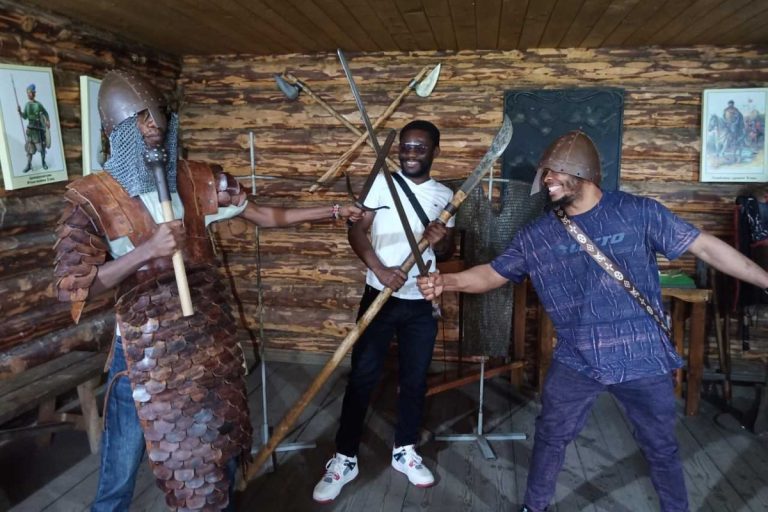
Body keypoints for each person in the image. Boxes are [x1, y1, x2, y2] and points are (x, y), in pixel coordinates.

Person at [53, 70, 363, 512]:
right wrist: (147, 251)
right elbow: (79, 286)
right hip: (142, 346)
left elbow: (266, 216)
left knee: (216, 444)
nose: (152, 126)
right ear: (114, 130)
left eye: (156, 116)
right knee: (123, 457)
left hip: (206, 335)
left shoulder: (199, 179)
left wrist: (332, 210)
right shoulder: (92, 197)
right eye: (139, 119)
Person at [417, 130, 768, 512]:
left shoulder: (638, 212)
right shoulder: (537, 236)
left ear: (583, 171)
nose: (547, 179)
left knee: (661, 445)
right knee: (551, 435)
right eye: (545, 173)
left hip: (642, 355)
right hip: (577, 358)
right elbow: (493, 273)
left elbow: (705, 247)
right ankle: (534, 507)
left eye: (555, 172)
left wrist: (765, 280)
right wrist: (447, 282)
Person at [312, 120, 455, 503]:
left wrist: (440, 241)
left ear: (435, 151)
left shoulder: (445, 195)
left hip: (421, 300)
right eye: (405, 146)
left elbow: (444, 253)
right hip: (380, 296)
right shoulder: (380, 183)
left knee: (415, 379)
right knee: (362, 375)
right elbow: (357, 231)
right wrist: (379, 269)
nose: (410, 153)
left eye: (419, 147)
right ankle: (345, 457)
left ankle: (404, 449)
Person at [17, 83, 50, 173]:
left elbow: (45, 113)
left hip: (38, 130)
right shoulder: (27, 105)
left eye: (30, 93)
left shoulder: (38, 105)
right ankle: (28, 165)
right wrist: (20, 112)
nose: (28, 94)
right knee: (29, 149)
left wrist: (47, 121)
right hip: (30, 130)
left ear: (34, 93)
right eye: (27, 93)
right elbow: (25, 117)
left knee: (41, 148)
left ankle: (43, 162)